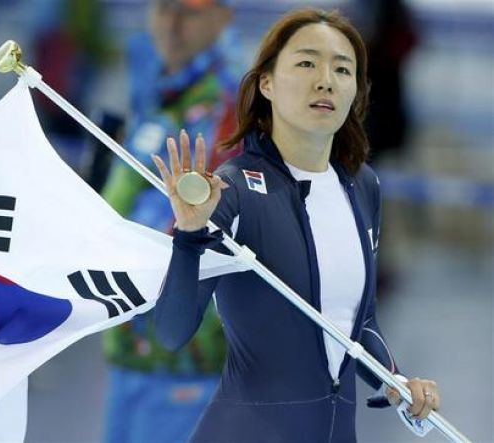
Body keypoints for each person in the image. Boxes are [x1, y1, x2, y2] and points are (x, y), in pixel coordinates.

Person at [152, 8, 441, 442]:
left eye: (342, 69)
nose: (325, 79)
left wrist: (396, 381)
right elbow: (171, 334)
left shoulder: (363, 187)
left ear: (355, 91)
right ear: (266, 82)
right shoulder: (233, 190)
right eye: (306, 62)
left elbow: (357, 325)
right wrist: (190, 236)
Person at [99, 1, 241, 442]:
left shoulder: (231, 107)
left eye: (189, 12)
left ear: (222, 18)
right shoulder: (156, 91)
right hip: (129, 340)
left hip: (188, 350)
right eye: (164, 9)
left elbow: (221, 228)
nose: (173, 25)